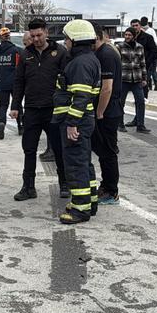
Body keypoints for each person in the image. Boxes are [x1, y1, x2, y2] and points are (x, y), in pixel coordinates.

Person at [11, 19, 70, 201]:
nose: (36, 39)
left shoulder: (60, 52)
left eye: (39, 35)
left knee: (59, 149)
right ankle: (28, 187)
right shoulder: (25, 54)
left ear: (46, 32)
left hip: (53, 110)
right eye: (33, 36)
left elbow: (67, 80)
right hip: (32, 109)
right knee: (29, 149)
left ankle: (65, 184)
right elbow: (19, 81)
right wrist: (15, 105)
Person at [55, 20, 101, 225]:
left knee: (75, 165)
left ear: (75, 40)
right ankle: (90, 201)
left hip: (77, 122)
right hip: (83, 120)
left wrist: (72, 123)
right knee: (84, 162)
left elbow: (81, 95)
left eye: (67, 38)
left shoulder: (81, 63)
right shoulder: (88, 59)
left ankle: (80, 208)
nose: (65, 42)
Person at [91, 26, 122, 205]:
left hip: (108, 112)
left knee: (108, 152)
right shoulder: (104, 52)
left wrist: (100, 111)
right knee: (103, 151)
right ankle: (107, 186)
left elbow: (107, 87)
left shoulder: (106, 54)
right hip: (108, 110)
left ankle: (111, 191)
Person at [119, 27, 150, 134]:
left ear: (134, 36)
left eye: (129, 35)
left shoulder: (139, 47)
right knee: (120, 102)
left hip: (137, 79)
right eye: (126, 35)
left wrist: (144, 78)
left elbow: (143, 64)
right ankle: (120, 124)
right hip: (123, 79)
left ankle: (140, 125)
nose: (127, 37)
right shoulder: (119, 46)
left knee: (141, 101)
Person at [0, 27, 22, 139]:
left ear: (0, 38)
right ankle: (21, 126)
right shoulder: (16, 50)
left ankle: (1, 123)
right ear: (9, 37)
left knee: (3, 105)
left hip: (1, 82)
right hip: (14, 82)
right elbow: (19, 65)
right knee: (17, 104)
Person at [131, 19, 157, 99]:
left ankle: (144, 100)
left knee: (144, 83)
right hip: (133, 66)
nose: (135, 27)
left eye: (136, 25)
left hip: (145, 65)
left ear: (140, 26)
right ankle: (137, 100)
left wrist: (147, 63)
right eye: (133, 26)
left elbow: (154, 52)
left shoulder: (148, 37)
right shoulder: (130, 38)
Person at [141, 16, 157, 92]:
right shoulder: (142, 30)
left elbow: (155, 41)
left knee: (151, 70)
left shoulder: (150, 30)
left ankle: (155, 83)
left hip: (151, 53)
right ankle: (150, 84)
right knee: (149, 70)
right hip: (145, 53)